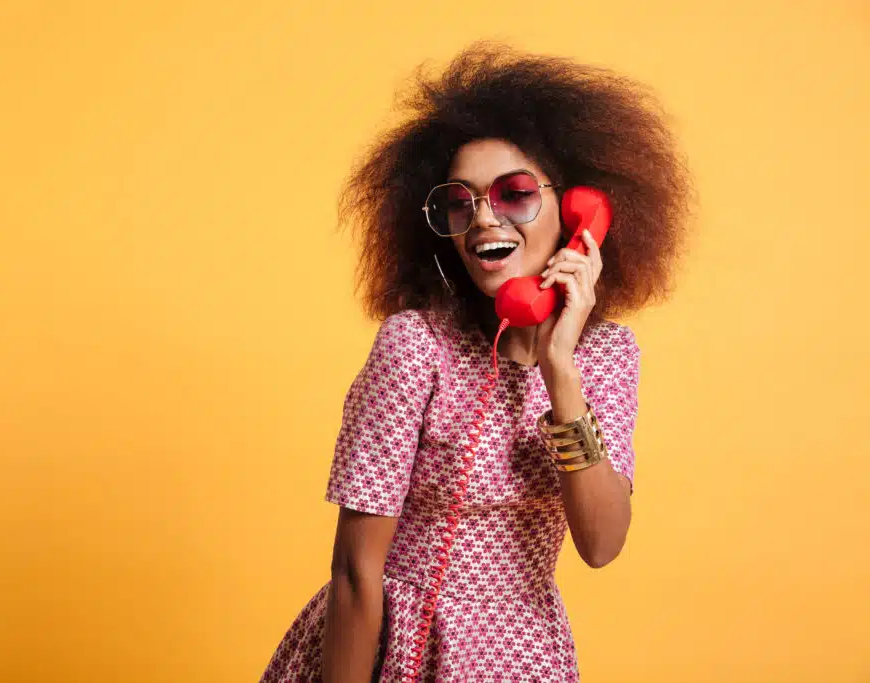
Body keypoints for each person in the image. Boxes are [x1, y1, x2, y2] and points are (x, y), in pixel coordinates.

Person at [259, 43, 691, 682]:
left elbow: (601, 545)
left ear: (579, 213)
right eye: (459, 203)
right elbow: (355, 573)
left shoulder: (605, 356)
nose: (483, 217)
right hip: (387, 646)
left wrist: (559, 369)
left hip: (522, 654)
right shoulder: (415, 345)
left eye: (514, 194)